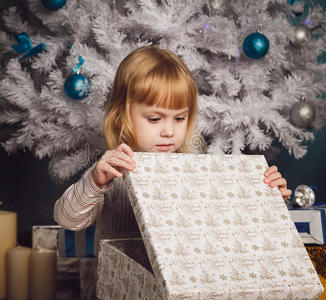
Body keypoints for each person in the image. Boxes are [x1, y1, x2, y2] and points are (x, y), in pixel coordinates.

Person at [53, 45, 291, 247]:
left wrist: (265, 199)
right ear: (122, 116)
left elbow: (226, 226)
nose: (169, 131)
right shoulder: (111, 172)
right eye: (155, 119)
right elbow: (68, 218)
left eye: (179, 118)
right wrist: (94, 182)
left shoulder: (195, 171)